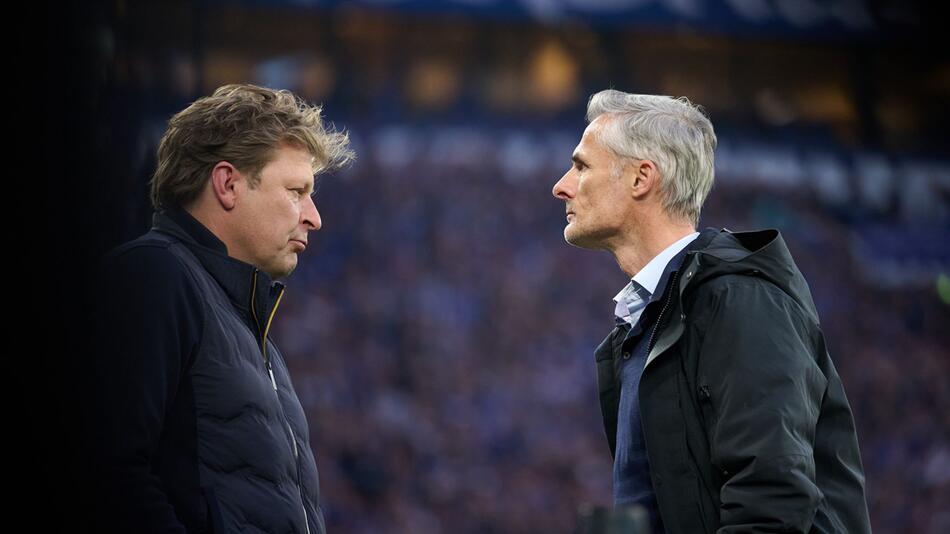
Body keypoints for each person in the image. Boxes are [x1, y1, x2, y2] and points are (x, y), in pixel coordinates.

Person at [552, 90, 871, 533]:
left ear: (641, 178)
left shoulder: (740, 300)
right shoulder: (648, 321)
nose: (562, 186)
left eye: (582, 166)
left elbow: (772, 504)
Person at [86, 83, 353, 533]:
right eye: (296, 191)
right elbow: (109, 471)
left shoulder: (243, 322)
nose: (314, 216)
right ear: (228, 184)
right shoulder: (154, 275)